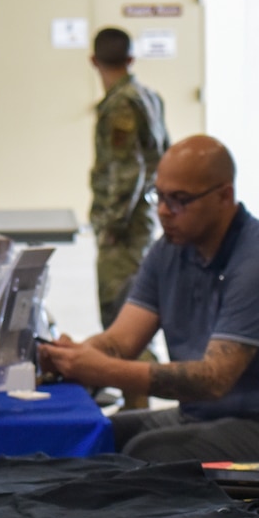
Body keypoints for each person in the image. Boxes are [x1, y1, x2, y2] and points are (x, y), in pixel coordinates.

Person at [38, 135, 259, 464]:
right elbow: (120, 341)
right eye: (159, 196)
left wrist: (101, 370)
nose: (164, 211)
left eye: (179, 200)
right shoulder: (168, 252)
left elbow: (212, 379)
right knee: (96, 435)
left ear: (224, 196)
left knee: (145, 454)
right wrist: (71, 356)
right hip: (208, 417)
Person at [87, 26, 169, 332]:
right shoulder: (149, 98)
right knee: (134, 311)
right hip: (142, 219)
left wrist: (112, 226)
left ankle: (152, 380)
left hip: (124, 229)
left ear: (93, 60)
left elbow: (127, 172)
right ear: (131, 59)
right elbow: (164, 157)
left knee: (122, 320)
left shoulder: (121, 104)